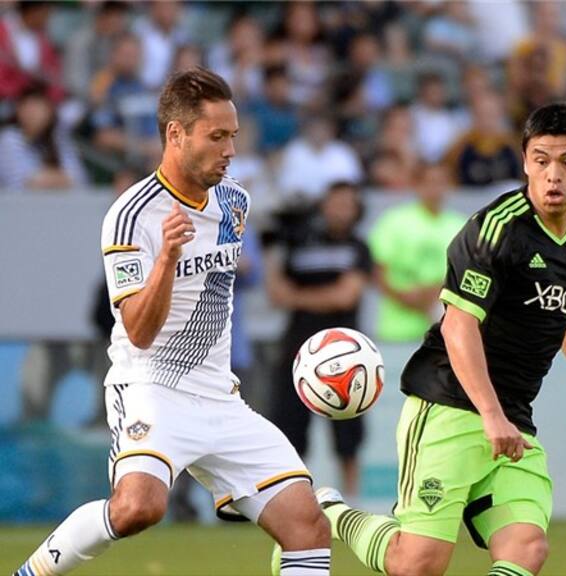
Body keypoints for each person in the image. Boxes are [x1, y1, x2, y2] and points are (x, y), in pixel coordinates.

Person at [293, 103, 566, 576]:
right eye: (541, 159)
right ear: (525, 161)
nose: (554, 175)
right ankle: (329, 511)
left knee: (526, 548)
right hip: (450, 405)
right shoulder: (496, 228)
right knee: (418, 565)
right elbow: (457, 325)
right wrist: (490, 415)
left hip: (513, 419)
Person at [14, 67, 330, 576]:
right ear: (176, 134)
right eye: (217, 136)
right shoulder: (132, 215)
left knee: (307, 526)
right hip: (151, 387)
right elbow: (138, 329)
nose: (230, 150)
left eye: (233, 136)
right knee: (138, 507)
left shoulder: (235, 202)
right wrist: (166, 260)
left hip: (220, 397)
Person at [264, 181, 372, 499]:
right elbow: (275, 293)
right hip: (297, 352)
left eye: (347, 204)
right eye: (335, 203)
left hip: (347, 357)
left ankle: (352, 500)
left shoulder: (358, 247)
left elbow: (346, 295)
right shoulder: (299, 245)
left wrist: (298, 296)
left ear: (356, 210)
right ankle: (295, 499)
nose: (340, 210)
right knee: (290, 431)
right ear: (323, 206)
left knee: (348, 438)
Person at [368, 162, 465, 342]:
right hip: (396, 329)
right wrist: (406, 297)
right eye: (429, 182)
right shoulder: (394, 221)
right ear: (417, 185)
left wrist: (435, 293)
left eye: (440, 182)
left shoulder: (461, 226)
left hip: (444, 332)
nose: (434, 189)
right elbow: (377, 270)